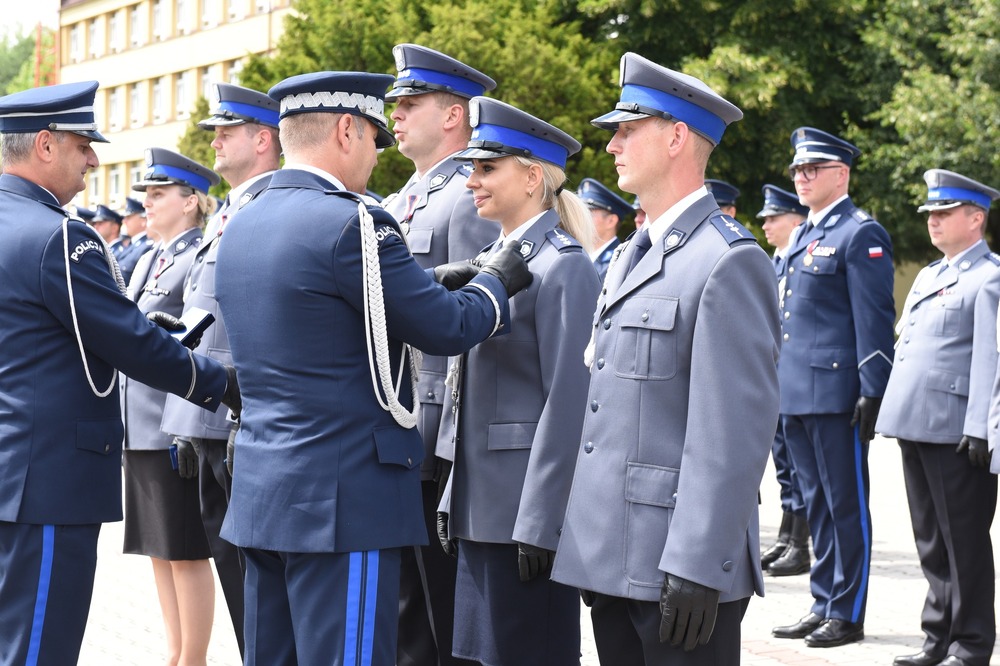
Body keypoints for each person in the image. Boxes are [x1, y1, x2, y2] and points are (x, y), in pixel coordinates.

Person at [213, 70, 532, 666]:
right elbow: (444, 328)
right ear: (346, 130)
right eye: (371, 140)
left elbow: (319, 313)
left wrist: (430, 281)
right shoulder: (357, 222)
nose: (374, 159)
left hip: (262, 495)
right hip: (343, 502)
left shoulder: (243, 221)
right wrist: (494, 282)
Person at [551, 52, 781, 666]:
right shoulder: (630, 253)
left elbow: (731, 435)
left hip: (676, 564)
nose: (613, 146)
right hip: (611, 556)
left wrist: (698, 563)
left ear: (677, 136)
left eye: (627, 131)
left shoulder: (729, 261)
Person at [0, 80, 239, 666]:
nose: (93, 160)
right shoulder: (60, 235)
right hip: (48, 479)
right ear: (47, 145)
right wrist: (223, 383)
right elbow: (128, 342)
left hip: (13, 465)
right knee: (37, 643)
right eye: (84, 144)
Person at [435, 97, 601, 666]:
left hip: (521, 516)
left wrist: (541, 518)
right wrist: (451, 490)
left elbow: (570, 400)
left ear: (532, 177)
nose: (470, 182)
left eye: (486, 169)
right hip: (481, 506)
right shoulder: (492, 259)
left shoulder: (564, 265)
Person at [380, 43, 499, 666]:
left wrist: (451, 438)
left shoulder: (467, 196)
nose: (395, 114)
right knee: (408, 612)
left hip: (438, 434)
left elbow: (475, 323)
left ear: (454, 115)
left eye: (410, 103)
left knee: (441, 612)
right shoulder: (403, 198)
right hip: (400, 420)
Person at [160, 82, 281, 658]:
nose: (214, 141)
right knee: (233, 575)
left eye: (226, 132)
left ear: (263, 139)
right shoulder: (229, 211)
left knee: (254, 580)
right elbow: (204, 323)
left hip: (240, 414)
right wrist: (187, 420)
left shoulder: (268, 205)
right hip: (209, 417)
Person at [770, 127, 895, 648]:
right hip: (796, 390)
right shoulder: (803, 233)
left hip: (837, 392)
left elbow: (873, 317)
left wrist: (873, 388)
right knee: (816, 504)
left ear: (840, 174)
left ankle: (848, 611)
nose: (802, 177)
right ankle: (823, 601)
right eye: (798, 170)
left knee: (845, 504)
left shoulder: (859, 232)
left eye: (812, 169)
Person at [876, 170, 1000, 666]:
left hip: (955, 431)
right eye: (930, 213)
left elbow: (991, 360)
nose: (933, 221)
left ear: (976, 218)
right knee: (930, 541)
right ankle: (937, 639)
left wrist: (980, 428)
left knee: (963, 544)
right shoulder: (931, 274)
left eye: (944, 213)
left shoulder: (989, 279)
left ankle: (970, 645)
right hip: (918, 425)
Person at [120, 148, 221, 666]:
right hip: (138, 427)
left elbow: (195, 343)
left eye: (158, 194)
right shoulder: (150, 257)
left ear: (189, 203)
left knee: (184, 549)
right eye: (147, 194)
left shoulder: (193, 256)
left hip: (169, 424)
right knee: (158, 551)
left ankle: (194, 657)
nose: (148, 202)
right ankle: (175, 651)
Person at [756, 184, 811, 577]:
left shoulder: (794, 262)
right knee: (785, 467)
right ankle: (789, 536)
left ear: (797, 220)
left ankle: (800, 541)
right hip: (777, 380)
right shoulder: (775, 264)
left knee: (800, 468)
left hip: (798, 382)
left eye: (774, 218)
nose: (767, 225)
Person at [578, 176, 632, 281]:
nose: (582, 219)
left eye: (589, 213)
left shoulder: (621, 262)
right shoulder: (580, 256)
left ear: (611, 221)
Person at [118, 195, 155, 285]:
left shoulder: (147, 247)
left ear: (143, 220)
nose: (124, 221)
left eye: (129, 217)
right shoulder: (133, 245)